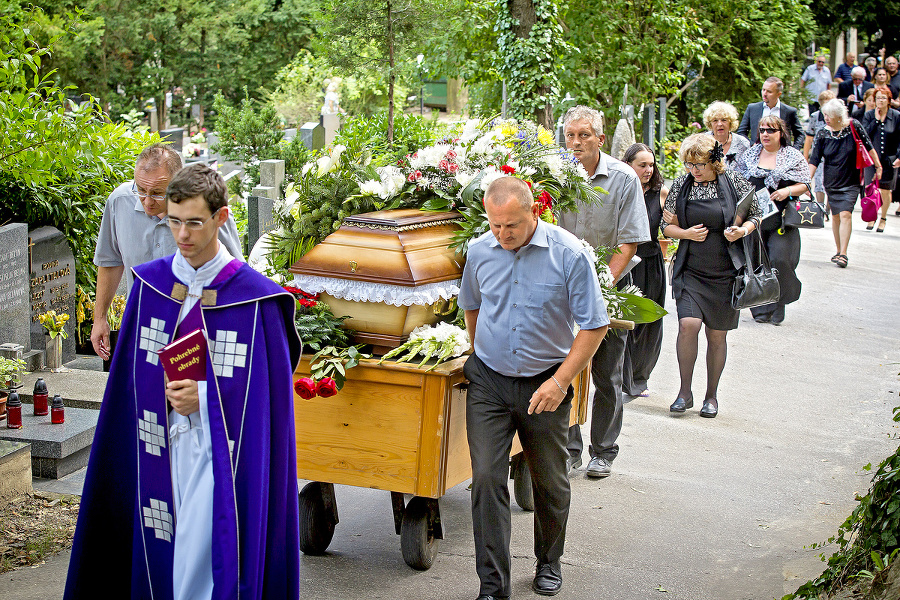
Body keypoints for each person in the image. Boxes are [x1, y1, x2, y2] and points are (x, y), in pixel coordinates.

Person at [65, 164, 302, 600]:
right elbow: (128, 387)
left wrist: (208, 397)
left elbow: (266, 403)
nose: (183, 235)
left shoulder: (256, 300)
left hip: (220, 460)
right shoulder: (150, 286)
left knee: (202, 559)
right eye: (174, 221)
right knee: (159, 558)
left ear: (221, 218)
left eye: (195, 222)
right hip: (157, 447)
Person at [458, 176, 608, 599]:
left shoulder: (568, 254)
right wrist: (479, 352)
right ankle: (492, 586)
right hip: (489, 380)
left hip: (546, 383)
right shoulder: (478, 251)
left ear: (534, 213)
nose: (503, 235)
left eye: (513, 226)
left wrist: (561, 382)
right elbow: (472, 305)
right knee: (487, 478)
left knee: (550, 480)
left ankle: (549, 561)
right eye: (495, 225)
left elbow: (594, 326)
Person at [557, 105, 650, 479]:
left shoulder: (623, 179)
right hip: (562, 289)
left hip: (608, 284)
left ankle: (604, 451)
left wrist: (599, 287)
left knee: (606, 374)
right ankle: (570, 448)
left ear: (600, 135)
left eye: (584, 135)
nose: (576, 143)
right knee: (565, 369)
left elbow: (628, 244)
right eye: (570, 135)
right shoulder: (556, 176)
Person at [92, 143, 244, 361]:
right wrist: (100, 319)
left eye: (157, 193)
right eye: (140, 189)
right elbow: (110, 261)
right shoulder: (119, 202)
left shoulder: (207, 211)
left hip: (198, 332)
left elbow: (234, 275)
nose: (147, 200)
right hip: (143, 330)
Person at [661, 134, 761, 418]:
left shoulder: (733, 182)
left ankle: (711, 396)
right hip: (691, 268)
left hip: (726, 271)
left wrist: (741, 230)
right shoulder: (682, 184)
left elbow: (757, 214)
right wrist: (685, 233)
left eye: (700, 164)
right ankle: (684, 392)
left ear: (715, 161)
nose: (694, 170)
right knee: (688, 325)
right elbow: (665, 226)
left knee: (717, 336)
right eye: (690, 164)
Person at [735, 116, 812, 325]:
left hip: (782, 220)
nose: (766, 134)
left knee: (780, 261)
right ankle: (760, 308)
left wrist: (786, 190)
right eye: (762, 130)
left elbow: (805, 183)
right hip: (755, 220)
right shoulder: (750, 155)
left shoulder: (793, 156)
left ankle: (779, 303)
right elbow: (737, 181)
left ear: (781, 133)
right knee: (757, 263)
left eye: (771, 130)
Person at [809, 99, 882, 268]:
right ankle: (838, 249)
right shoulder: (822, 133)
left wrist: (878, 166)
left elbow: (869, 147)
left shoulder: (853, 126)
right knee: (835, 216)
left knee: (845, 214)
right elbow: (814, 159)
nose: (826, 118)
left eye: (829, 115)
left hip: (851, 180)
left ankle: (844, 253)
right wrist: (806, 181)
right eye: (825, 115)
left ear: (839, 116)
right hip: (831, 181)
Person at [621, 144, 668, 397]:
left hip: (651, 264)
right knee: (625, 323)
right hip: (624, 264)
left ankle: (640, 378)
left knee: (650, 323)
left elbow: (672, 226)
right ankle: (621, 378)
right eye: (643, 165)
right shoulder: (619, 191)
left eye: (651, 165)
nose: (649, 170)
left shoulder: (661, 194)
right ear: (628, 165)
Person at [862, 88, 900, 231]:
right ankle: (872, 216)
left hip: (889, 159)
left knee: (885, 190)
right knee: (871, 188)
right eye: (878, 98)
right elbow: (864, 135)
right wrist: (876, 121)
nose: (880, 101)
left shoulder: (896, 116)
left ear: (889, 100)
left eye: (883, 98)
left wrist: (899, 157)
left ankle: (883, 218)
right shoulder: (869, 115)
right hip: (871, 159)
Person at [736, 77, 804, 149]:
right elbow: (741, 133)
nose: (765, 94)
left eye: (769, 91)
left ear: (778, 94)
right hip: (757, 155)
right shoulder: (752, 108)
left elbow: (800, 135)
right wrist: (752, 145)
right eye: (763, 90)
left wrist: (793, 151)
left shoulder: (789, 111)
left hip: (781, 156)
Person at [804, 89, 838, 219]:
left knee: (831, 182)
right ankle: (820, 207)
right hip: (819, 155)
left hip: (833, 156)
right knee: (818, 182)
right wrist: (806, 156)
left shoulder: (836, 118)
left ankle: (829, 209)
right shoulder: (815, 117)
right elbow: (809, 137)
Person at [702, 101, 751, 168]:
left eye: (724, 120)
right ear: (710, 124)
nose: (719, 124)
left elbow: (747, 170)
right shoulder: (702, 142)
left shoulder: (742, 143)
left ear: (731, 122)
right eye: (715, 120)